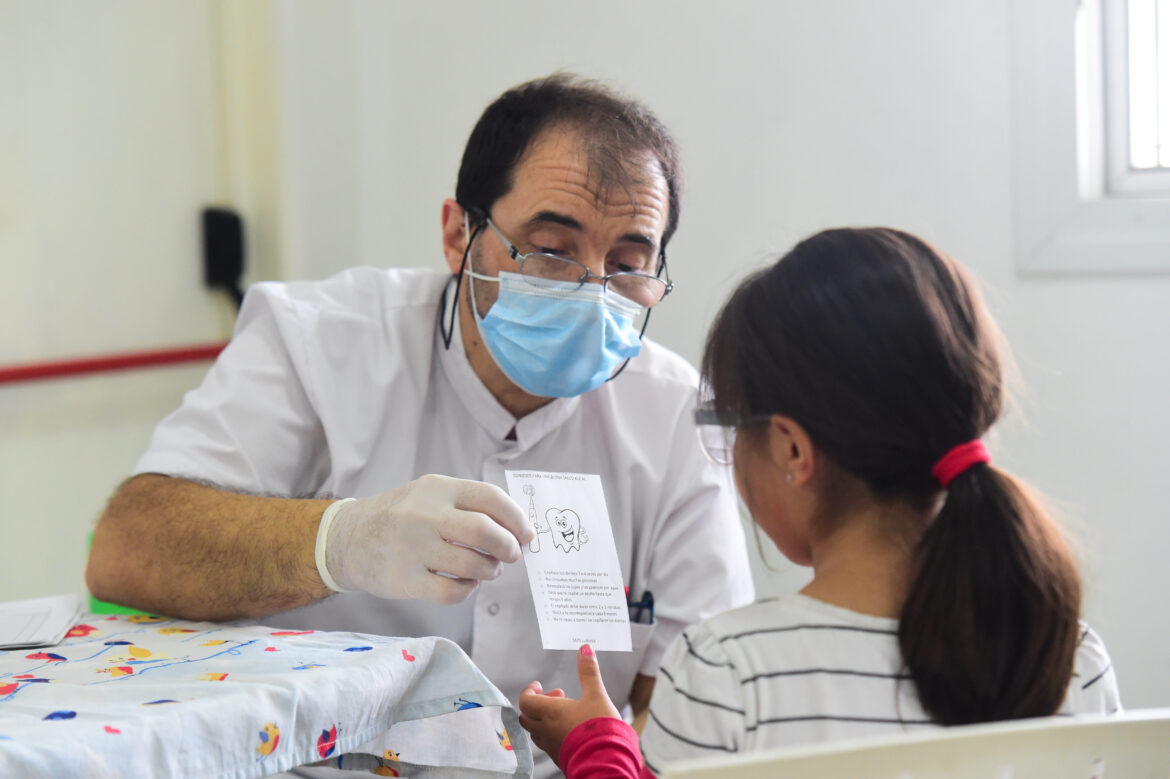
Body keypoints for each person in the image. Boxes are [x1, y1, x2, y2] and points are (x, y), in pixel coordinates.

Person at [86, 74, 754, 777]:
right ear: (458, 233)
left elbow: (702, 702)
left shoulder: (675, 417)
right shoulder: (319, 342)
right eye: (552, 249)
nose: (591, 292)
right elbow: (131, 547)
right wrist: (341, 541)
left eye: (626, 266)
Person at [517, 227, 1121, 778]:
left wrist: (597, 749)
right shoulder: (1069, 657)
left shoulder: (726, 670)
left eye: (729, 427)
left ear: (791, 450)